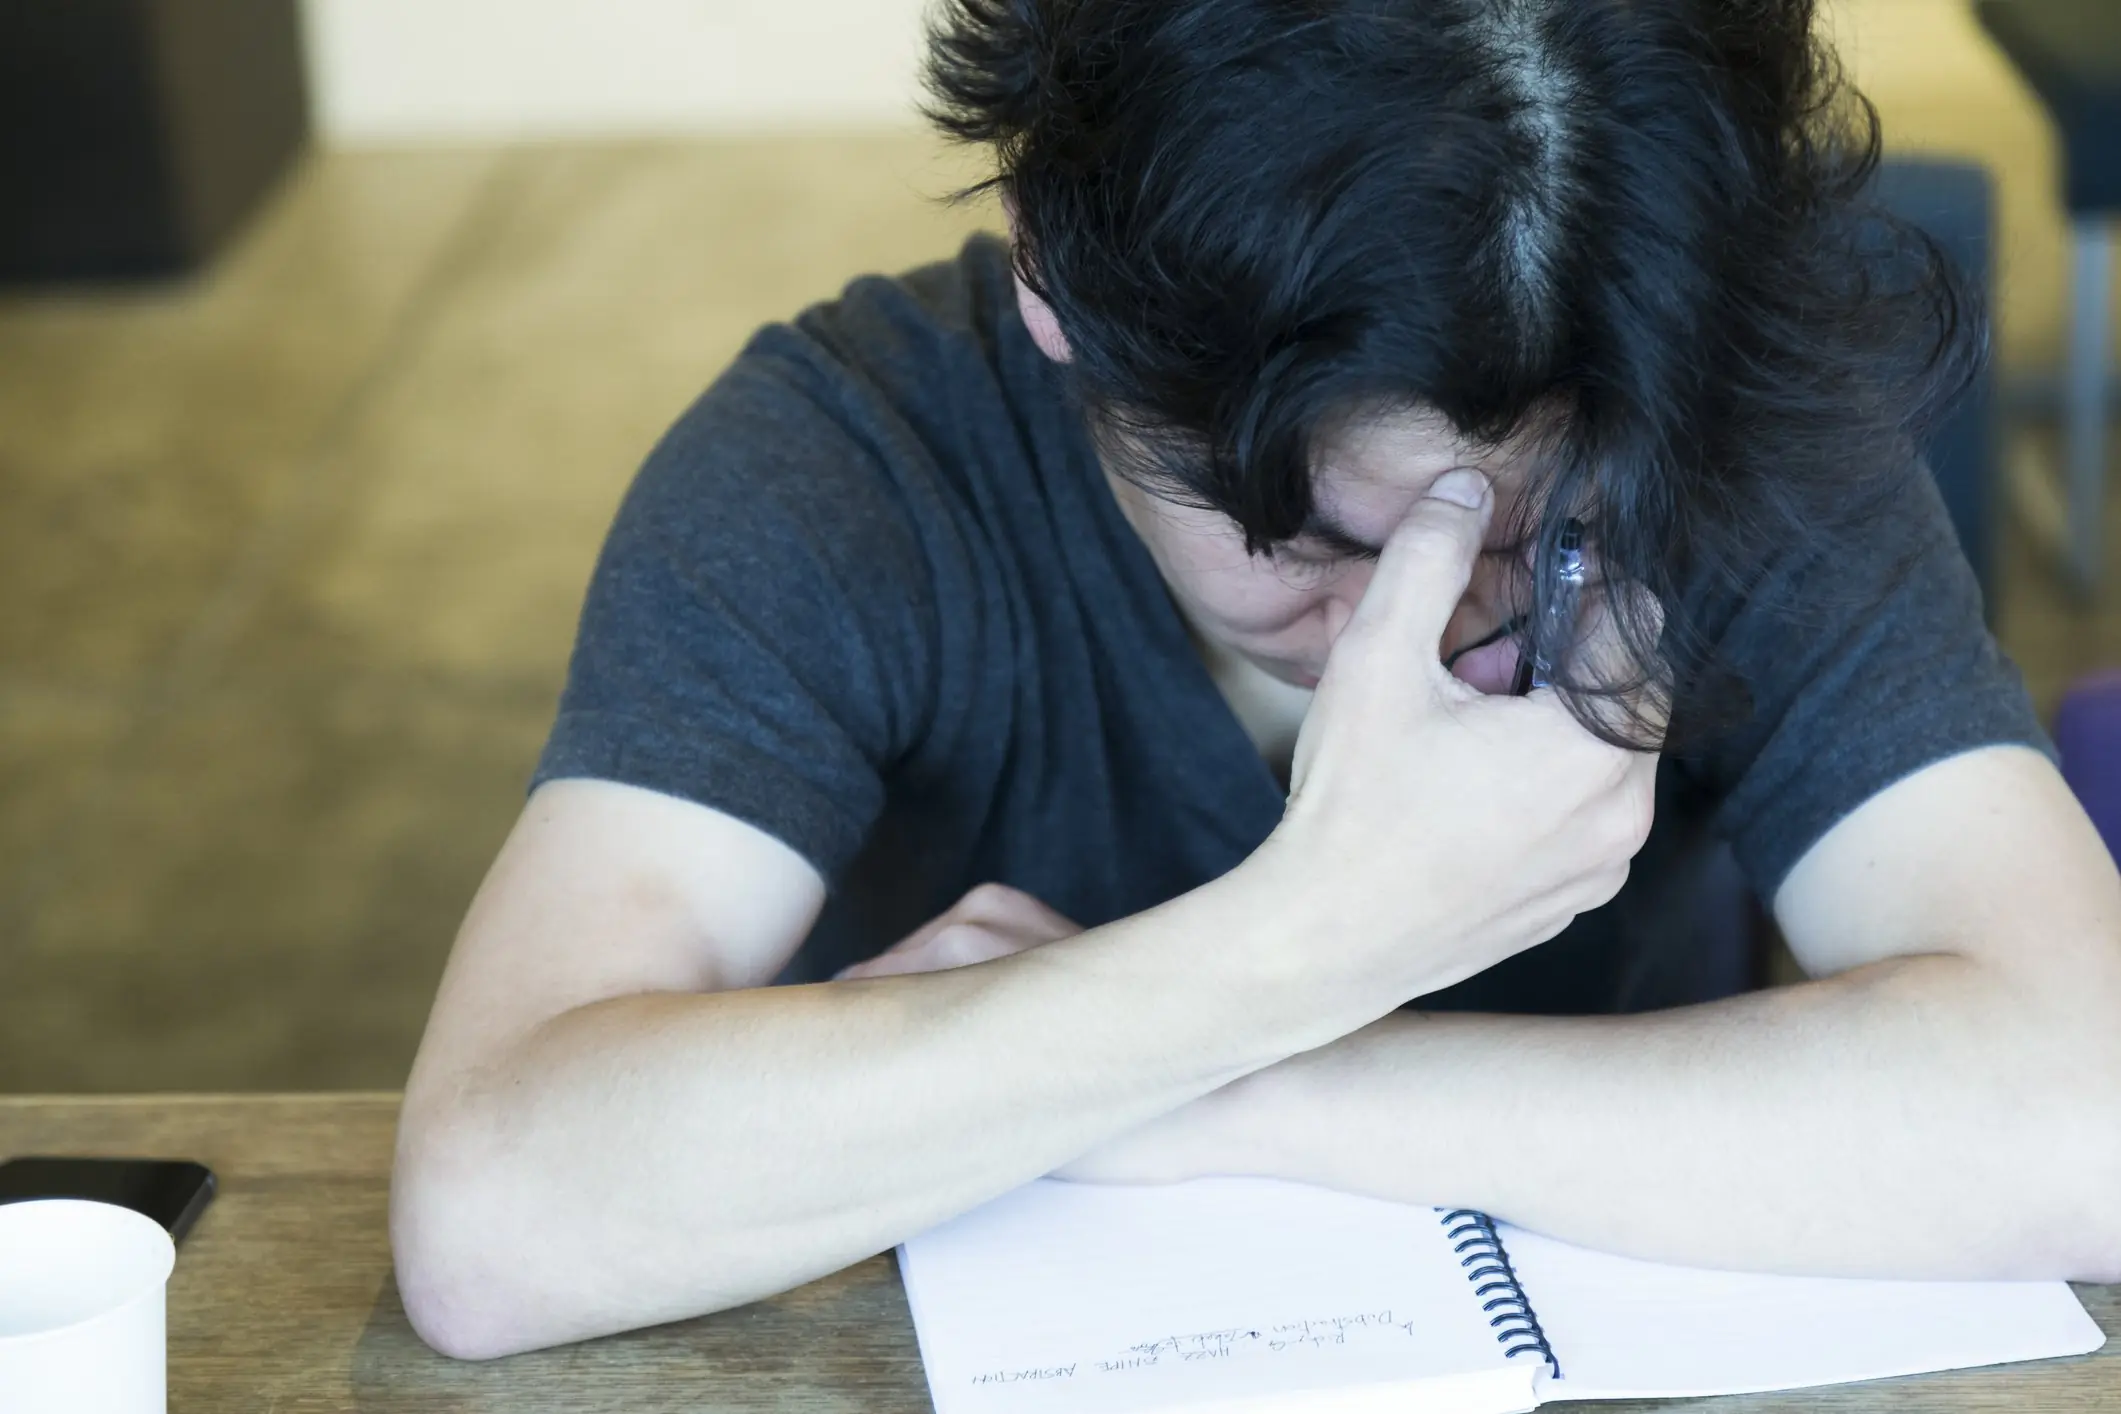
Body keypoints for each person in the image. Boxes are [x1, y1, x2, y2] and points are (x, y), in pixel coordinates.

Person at [390, 0, 2121, 1362]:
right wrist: (1306, 936)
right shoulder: (848, 464)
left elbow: (2086, 1118)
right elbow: (495, 1216)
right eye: (1303, 538)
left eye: (1532, 534)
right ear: (1053, 278)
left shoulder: (1707, 411)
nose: (1398, 634)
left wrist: (1216, 1081)